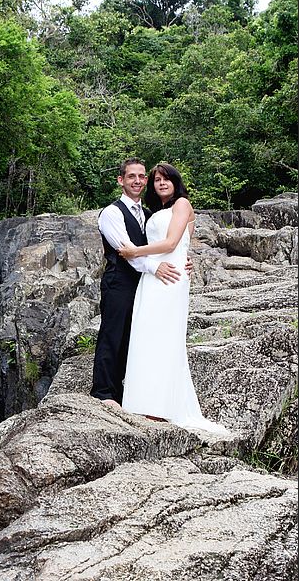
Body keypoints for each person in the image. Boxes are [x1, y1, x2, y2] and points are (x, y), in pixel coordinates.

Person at [118, 163, 230, 434]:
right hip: (153, 277)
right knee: (146, 335)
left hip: (169, 279)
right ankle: (143, 403)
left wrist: (135, 251)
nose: (161, 183)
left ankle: (162, 407)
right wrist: (180, 256)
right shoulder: (156, 211)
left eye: (166, 179)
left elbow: (172, 244)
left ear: (175, 182)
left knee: (165, 337)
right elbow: (180, 246)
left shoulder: (182, 204)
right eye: (157, 180)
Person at [91, 157, 190, 408]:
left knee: (134, 338)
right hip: (119, 282)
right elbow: (128, 251)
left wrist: (182, 260)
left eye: (142, 177)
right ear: (121, 180)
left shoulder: (149, 214)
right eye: (132, 176)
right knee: (112, 335)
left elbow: (165, 244)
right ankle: (103, 392)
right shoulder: (111, 213)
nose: (138, 181)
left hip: (145, 285)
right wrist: (156, 267)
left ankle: (128, 391)